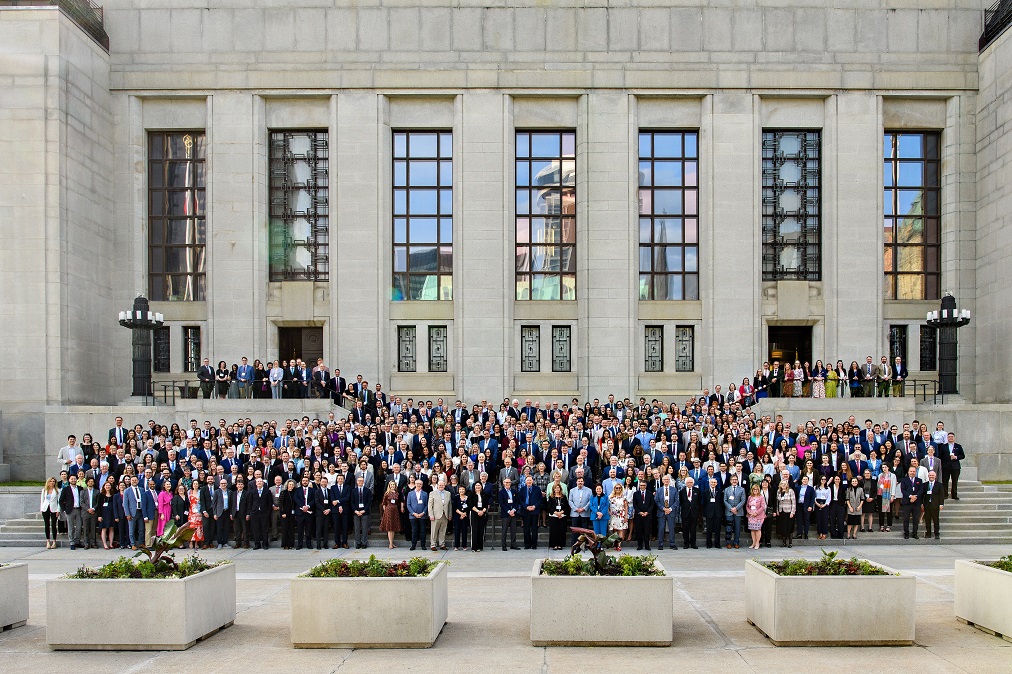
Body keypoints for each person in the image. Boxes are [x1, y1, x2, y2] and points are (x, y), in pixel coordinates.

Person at [655, 474, 680, 550]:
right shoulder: (659, 490)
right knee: (661, 528)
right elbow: (656, 501)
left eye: (667, 480)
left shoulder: (674, 489)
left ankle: (672, 544)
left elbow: (677, 500)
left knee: (671, 528)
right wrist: (663, 509)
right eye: (665, 480)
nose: (666, 481)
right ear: (662, 481)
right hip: (661, 512)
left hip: (671, 511)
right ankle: (660, 544)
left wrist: (670, 509)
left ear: (669, 481)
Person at [59, 474, 83, 550]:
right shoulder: (66, 489)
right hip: (70, 510)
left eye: (74, 479)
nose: (73, 480)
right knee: (71, 527)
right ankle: (72, 542)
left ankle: (77, 541)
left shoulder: (80, 488)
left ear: (77, 480)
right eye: (71, 479)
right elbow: (61, 501)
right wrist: (64, 509)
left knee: (79, 527)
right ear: (69, 480)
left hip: (79, 509)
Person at [519, 475, 543, 550]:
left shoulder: (537, 489)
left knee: (534, 529)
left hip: (534, 511)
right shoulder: (522, 489)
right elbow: (520, 500)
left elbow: (540, 499)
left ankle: (534, 544)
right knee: (526, 529)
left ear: (532, 481)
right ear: (525, 482)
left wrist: (534, 506)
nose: (529, 482)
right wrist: (526, 507)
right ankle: (527, 544)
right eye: (527, 480)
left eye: (530, 480)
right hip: (525, 511)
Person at [900, 466, 923, 539]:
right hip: (907, 502)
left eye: (913, 471)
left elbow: (921, 490)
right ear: (908, 472)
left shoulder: (919, 480)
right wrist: (910, 496)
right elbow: (903, 490)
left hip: (916, 503)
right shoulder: (904, 480)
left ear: (915, 472)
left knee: (916, 519)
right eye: (911, 471)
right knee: (906, 519)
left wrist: (915, 496)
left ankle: (915, 533)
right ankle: (906, 533)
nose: (912, 473)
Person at [428, 481, 452, 551]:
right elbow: (430, 505)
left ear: (444, 486)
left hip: (445, 515)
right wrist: (431, 515)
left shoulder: (448, 493)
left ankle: (442, 544)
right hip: (436, 515)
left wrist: (450, 514)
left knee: (443, 530)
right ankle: (433, 545)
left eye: (442, 485)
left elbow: (450, 505)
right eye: (440, 485)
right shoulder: (432, 493)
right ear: (437, 485)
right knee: (434, 531)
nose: (441, 486)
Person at [406, 479, 429, 550]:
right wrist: (413, 513)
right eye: (417, 484)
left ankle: (423, 545)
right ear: (415, 484)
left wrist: (423, 513)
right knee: (414, 530)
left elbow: (427, 505)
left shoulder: (425, 494)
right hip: (413, 515)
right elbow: (408, 504)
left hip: (422, 515)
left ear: (422, 485)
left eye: (420, 484)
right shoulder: (410, 494)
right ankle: (413, 545)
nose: (418, 485)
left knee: (423, 530)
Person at [723, 474, 744, 549]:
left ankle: (736, 542)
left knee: (737, 528)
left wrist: (736, 508)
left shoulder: (742, 489)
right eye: (733, 480)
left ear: (737, 481)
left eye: (735, 479)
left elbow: (743, 500)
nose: (734, 481)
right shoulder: (727, 489)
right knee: (728, 528)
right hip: (729, 511)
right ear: (730, 481)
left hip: (738, 511)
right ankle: (728, 542)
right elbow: (725, 500)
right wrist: (731, 508)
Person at [546, 483, 570, 550]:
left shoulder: (564, 497)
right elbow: (549, 507)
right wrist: (556, 513)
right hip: (553, 516)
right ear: (553, 489)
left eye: (558, 488)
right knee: (554, 531)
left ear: (560, 489)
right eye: (556, 488)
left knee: (561, 530)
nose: (557, 489)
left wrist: (561, 512)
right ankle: (554, 545)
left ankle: (560, 544)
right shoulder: (551, 497)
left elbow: (566, 507)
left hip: (562, 516)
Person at [498, 477, 519, 551]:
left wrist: (513, 510)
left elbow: (517, 502)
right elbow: (501, 503)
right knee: (504, 530)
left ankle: (513, 544)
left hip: (513, 513)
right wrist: (508, 511)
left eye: (509, 482)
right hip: (505, 514)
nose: (508, 484)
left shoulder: (514, 491)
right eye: (506, 482)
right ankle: (504, 545)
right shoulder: (501, 492)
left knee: (513, 530)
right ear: (503, 483)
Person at [923, 469, 945, 539]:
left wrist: (941, 504)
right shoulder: (925, 484)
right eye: (930, 475)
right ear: (928, 476)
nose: (931, 476)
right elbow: (923, 495)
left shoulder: (939, 485)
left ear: (935, 476)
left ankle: (936, 533)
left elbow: (941, 495)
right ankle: (928, 533)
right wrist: (922, 504)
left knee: (936, 520)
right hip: (927, 505)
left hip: (935, 504)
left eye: (933, 475)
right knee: (927, 519)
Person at [633, 479, 654, 551]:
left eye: (644, 485)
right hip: (639, 515)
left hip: (647, 515)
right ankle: (640, 545)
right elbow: (634, 504)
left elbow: (652, 504)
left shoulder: (650, 493)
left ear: (646, 486)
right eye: (641, 485)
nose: (642, 486)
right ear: (639, 486)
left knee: (647, 531)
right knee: (639, 531)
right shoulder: (636, 494)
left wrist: (647, 512)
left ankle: (647, 546)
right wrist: (640, 512)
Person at [680, 476, 701, 549]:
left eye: (691, 482)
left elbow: (699, 501)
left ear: (693, 483)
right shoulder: (682, 491)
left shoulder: (697, 490)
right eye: (688, 482)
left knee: (693, 529)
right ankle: (686, 543)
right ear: (685, 483)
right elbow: (680, 502)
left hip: (694, 513)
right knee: (685, 529)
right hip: (685, 513)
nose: (690, 483)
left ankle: (693, 543)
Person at [380, 480, 401, 549]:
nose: (392, 486)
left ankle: (392, 542)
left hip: (395, 510)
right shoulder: (387, 493)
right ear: (389, 486)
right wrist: (385, 511)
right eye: (391, 485)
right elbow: (383, 503)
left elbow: (398, 502)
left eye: (393, 485)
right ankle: (390, 543)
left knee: (393, 527)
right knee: (389, 528)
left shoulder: (397, 493)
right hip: (388, 510)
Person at [352, 475, 372, 549]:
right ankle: (358, 543)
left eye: (361, 481)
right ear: (357, 482)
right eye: (359, 481)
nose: (360, 482)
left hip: (365, 512)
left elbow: (369, 502)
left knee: (364, 528)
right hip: (356, 512)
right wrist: (356, 511)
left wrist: (364, 510)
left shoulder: (367, 490)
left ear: (363, 482)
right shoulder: (353, 491)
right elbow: (352, 502)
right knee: (357, 528)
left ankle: (364, 542)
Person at [775, 478, 796, 547]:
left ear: (787, 485)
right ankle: (784, 542)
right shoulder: (779, 491)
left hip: (789, 511)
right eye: (782, 484)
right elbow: (777, 502)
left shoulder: (790, 491)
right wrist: (777, 510)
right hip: (781, 511)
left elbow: (793, 502)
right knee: (783, 527)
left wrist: (792, 512)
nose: (783, 485)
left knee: (789, 527)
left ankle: (790, 543)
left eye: (785, 484)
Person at [40, 477, 60, 549]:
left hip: (54, 509)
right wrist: (41, 509)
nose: (52, 483)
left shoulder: (57, 490)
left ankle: (54, 541)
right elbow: (42, 500)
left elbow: (59, 502)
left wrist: (58, 510)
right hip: (46, 508)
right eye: (50, 481)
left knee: (54, 525)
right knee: (46, 524)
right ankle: (48, 541)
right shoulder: (44, 490)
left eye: (53, 481)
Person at [468, 481, 488, 552]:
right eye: (476, 485)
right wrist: (478, 511)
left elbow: (486, 504)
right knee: (475, 530)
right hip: (474, 513)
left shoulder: (484, 494)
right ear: (474, 486)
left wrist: (483, 511)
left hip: (482, 513)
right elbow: (471, 505)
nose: (478, 487)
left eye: (479, 485)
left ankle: (480, 546)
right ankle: (474, 547)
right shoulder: (471, 494)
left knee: (481, 530)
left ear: (481, 486)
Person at [745, 484, 766, 550]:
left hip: (758, 515)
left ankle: (757, 543)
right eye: (754, 489)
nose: (755, 490)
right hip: (751, 515)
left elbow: (763, 506)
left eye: (756, 489)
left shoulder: (761, 497)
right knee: (752, 529)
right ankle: (753, 543)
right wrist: (749, 512)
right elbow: (747, 506)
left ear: (758, 490)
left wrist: (756, 513)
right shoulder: (750, 497)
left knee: (757, 529)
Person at [280, 479, 297, 549]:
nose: (291, 486)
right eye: (290, 484)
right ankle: (285, 544)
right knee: (285, 529)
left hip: (292, 514)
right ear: (287, 485)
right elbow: (281, 503)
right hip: (285, 513)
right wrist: (283, 512)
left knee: (291, 529)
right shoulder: (283, 493)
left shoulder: (295, 493)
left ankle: (290, 544)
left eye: (292, 485)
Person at [452, 485, 470, 550]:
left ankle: (464, 545)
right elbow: (454, 507)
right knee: (457, 531)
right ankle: (456, 545)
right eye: (460, 489)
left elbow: (469, 507)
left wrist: (464, 513)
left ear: (465, 490)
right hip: (457, 516)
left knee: (464, 531)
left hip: (465, 516)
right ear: (458, 490)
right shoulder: (456, 497)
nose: (461, 491)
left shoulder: (467, 497)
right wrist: (461, 513)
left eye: (463, 489)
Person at [187, 481, 204, 549]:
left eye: (197, 484)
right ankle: (191, 541)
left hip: (199, 512)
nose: (195, 485)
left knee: (198, 528)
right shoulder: (189, 492)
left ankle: (197, 542)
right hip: (191, 512)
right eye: (194, 484)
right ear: (192, 485)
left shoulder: (200, 492)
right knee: (191, 527)